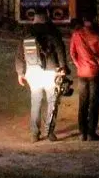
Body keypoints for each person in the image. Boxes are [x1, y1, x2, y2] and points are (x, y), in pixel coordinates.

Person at [15, 11, 70, 142]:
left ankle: (34, 133)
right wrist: (63, 68)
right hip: (51, 72)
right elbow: (60, 50)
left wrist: (20, 73)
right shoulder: (52, 32)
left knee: (36, 102)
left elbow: (19, 54)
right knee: (52, 101)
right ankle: (49, 131)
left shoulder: (27, 33)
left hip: (33, 72)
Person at [69, 15, 99, 141]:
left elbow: (72, 53)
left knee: (83, 103)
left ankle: (82, 132)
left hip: (82, 73)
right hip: (95, 73)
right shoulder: (97, 36)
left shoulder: (76, 35)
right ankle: (91, 132)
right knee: (94, 104)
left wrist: (78, 65)